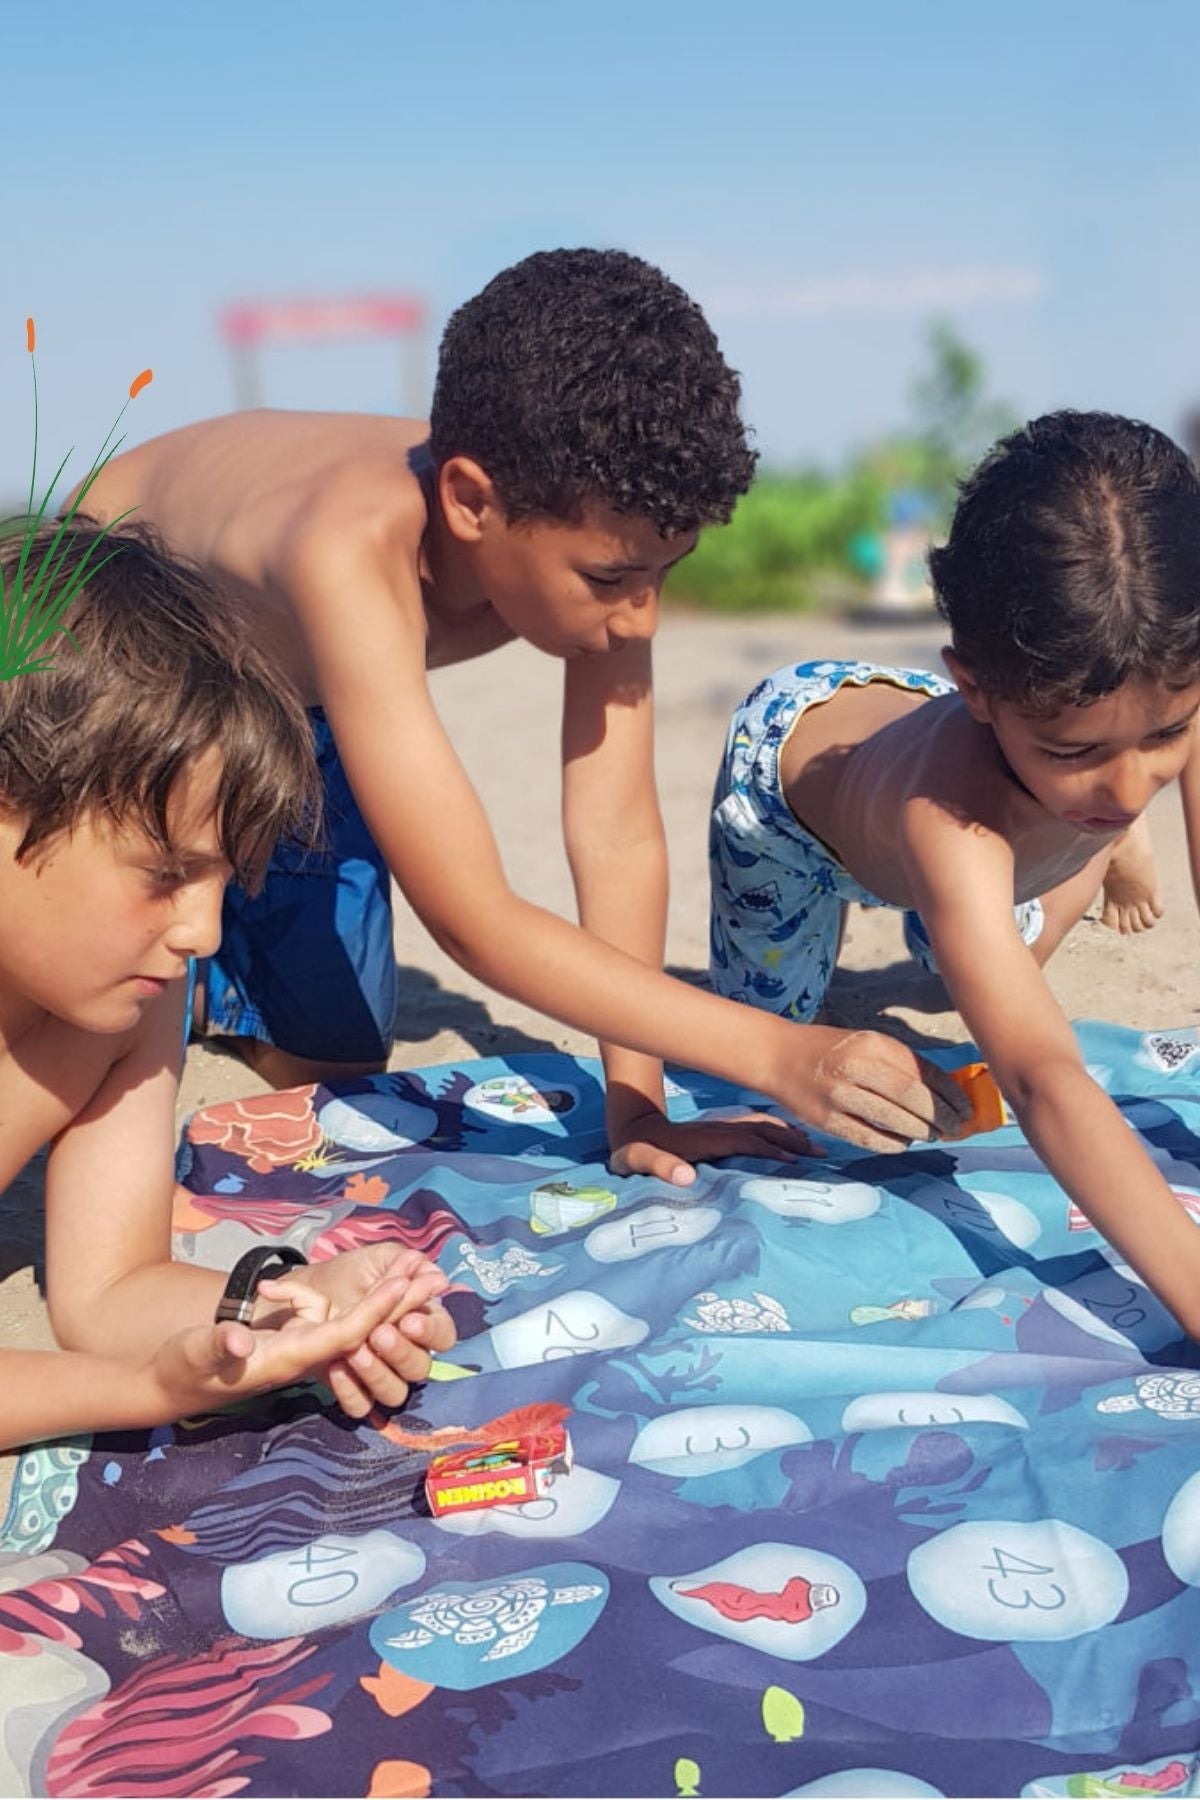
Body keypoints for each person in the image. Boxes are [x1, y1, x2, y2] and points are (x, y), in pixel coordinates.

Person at [70, 247, 969, 1181]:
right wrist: (779, 1055)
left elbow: (616, 835)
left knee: (336, 1063)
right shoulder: (353, 549)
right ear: (470, 503)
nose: (642, 618)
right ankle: (193, 946)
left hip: (296, 702)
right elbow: (472, 919)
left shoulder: (591, 526)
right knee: (104, 983)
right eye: (613, 578)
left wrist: (638, 1107)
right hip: (117, 664)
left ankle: (221, 965)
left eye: (667, 571)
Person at [709, 409, 1200, 1336]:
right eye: (1081, 751)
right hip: (796, 807)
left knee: (981, 944)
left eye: (1167, 738)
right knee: (761, 1041)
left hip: (962, 750)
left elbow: (1119, 740)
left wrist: (1096, 762)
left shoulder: (1157, 678)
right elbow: (1044, 1076)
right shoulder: (950, 819)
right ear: (980, 690)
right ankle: (1072, 843)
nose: (1134, 783)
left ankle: (1083, 834)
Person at [0, 523, 454, 1452]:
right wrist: (140, 1388)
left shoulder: (131, 996)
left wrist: (292, 1304)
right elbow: (122, 1358)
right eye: (167, 873)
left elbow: (111, 1289)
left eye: (222, 882)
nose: (203, 935)